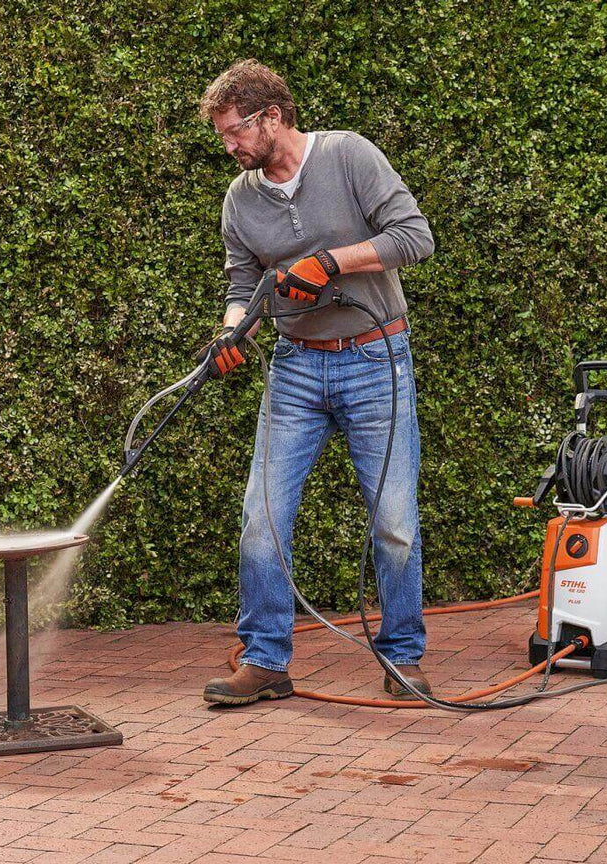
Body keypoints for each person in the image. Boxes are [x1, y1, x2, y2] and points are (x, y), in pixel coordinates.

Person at [196, 60, 435, 705]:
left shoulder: (349, 157)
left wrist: (330, 262)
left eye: (236, 132)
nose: (231, 147)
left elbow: (415, 237)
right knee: (261, 519)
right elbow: (243, 287)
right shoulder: (241, 200)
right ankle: (266, 661)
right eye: (223, 136)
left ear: (271, 116)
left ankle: (404, 658)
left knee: (394, 523)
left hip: (375, 359)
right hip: (296, 367)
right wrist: (231, 333)